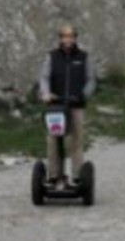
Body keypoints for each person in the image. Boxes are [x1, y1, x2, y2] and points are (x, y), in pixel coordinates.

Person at [37, 24, 96, 186]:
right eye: (65, 36)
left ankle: (77, 176)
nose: (68, 39)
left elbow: (91, 80)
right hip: (55, 106)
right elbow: (44, 78)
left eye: (71, 36)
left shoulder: (84, 57)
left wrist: (84, 94)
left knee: (76, 140)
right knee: (53, 140)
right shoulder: (52, 57)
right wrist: (46, 93)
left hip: (76, 105)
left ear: (75, 38)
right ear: (60, 39)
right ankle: (54, 176)